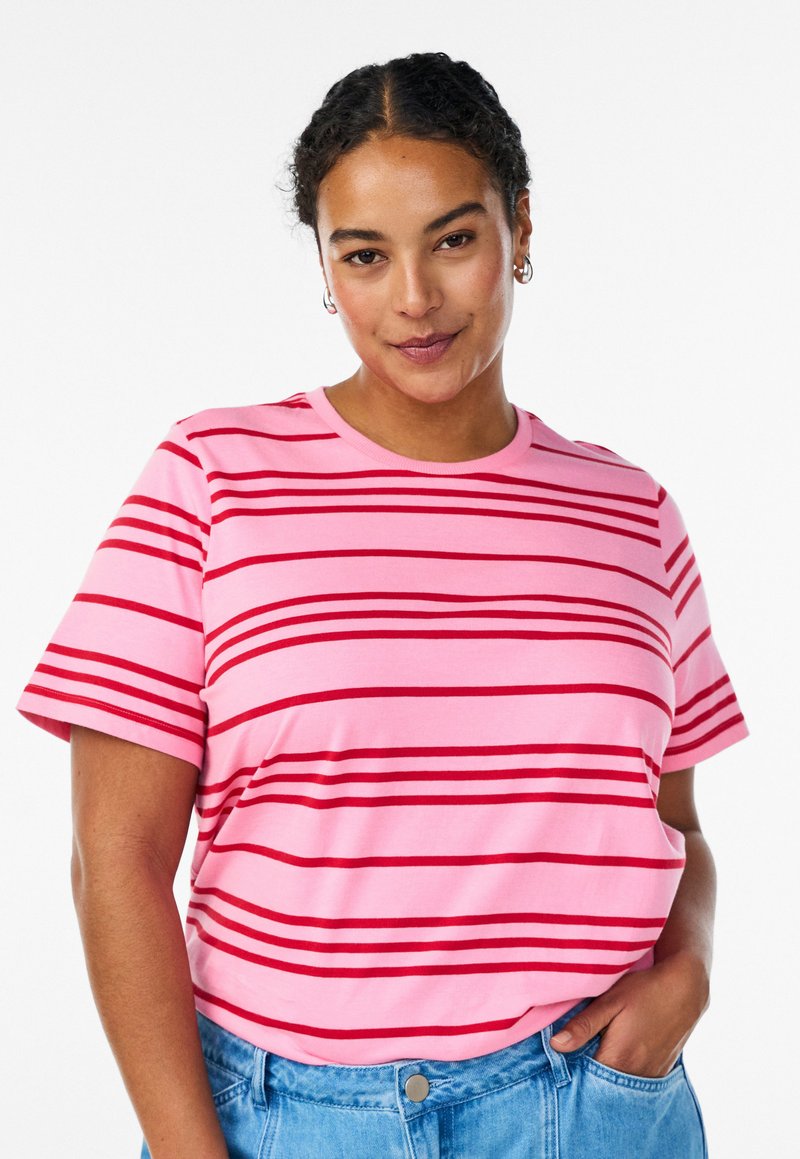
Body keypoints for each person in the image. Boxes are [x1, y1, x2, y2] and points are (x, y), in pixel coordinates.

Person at [15, 51, 749, 1159]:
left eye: (452, 239)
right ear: (325, 265)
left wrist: (689, 964)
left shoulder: (631, 512)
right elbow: (113, 858)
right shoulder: (210, 480)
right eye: (364, 254)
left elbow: (675, 823)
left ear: (521, 226)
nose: (413, 298)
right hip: (292, 1120)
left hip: (596, 1104)